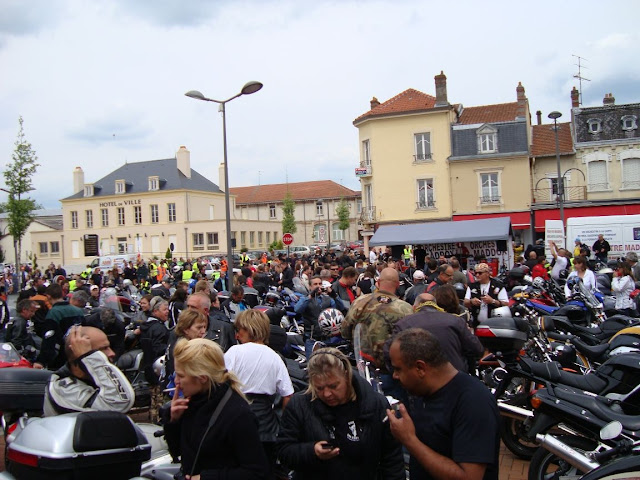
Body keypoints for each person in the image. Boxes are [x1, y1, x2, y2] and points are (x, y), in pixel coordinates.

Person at [387, 329, 499, 480]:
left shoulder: (473, 401)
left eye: (398, 369)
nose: (394, 376)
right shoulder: (422, 392)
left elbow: (469, 477)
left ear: (420, 368)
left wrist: (410, 441)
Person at [276, 347, 404, 480]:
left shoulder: (375, 404)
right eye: (319, 388)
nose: (327, 394)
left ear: (347, 377)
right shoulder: (299, 405)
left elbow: (392, 458)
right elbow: (283, 452)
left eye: (333, 386)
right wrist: (312, 451)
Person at [163, 338, 269, 479]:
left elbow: (256, 472)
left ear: (202, 378)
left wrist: (205, 478)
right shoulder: (191, 402)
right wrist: (173, 421)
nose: (176, 381)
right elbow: (178, 452)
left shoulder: (237, 414)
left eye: (181, 376)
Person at [225, 310, 294, 477]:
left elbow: (219, 382)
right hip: (266, 425)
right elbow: (288, 395)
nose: (237, 334)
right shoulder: (275, 357)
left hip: (235, 418)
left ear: (250, 329)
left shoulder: (234, 352)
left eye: (240, 329)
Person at [341, 268, 413, 394]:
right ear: (397, 284)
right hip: (393, 372)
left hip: (364, 370)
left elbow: (345, 332)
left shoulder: (360, 302)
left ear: (378, 282)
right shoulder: (405, 309)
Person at [44, 325, 135, 416]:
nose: (112, 353)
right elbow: (119, 403)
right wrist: (88, 356)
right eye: (103, 349)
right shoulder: (64, 389)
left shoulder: (90, 378)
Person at [390, 291, 483, 373]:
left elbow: (388, 352)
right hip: (453, 378)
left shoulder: (403, 323)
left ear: (414, 307)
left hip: (418, 381)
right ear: (436, 305)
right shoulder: (455, 321)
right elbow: (477, 349)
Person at [34, 283, 85, 369]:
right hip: (79, 353)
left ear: (48, 296)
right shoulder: (79, 311)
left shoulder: (54, 313)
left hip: (61, 357)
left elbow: (49, 339)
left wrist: (41, 361)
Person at [294, 275, 346, 358]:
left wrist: (334, 295)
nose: (318, 286)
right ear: (310, 287)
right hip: (312, 338)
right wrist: (310, 296)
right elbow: (297, 309)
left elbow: (341, 308)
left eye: (320, 284)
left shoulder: (328, 299)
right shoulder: (305, 299)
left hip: (327, 338)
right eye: (315, 284)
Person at [139, 296, 170, 423]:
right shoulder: (159, 328)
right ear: (155, 311)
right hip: (157, 368)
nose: (167, 311)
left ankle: (153, 420)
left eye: (167, 309)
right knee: (159, 400)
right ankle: (158, 423)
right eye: (164, 309)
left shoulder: (146, 326)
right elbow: (158, 348)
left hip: (147, 366)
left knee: (154, 400)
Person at [164, 308, 209, 390]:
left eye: (204, 327)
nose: (203, 331)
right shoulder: (183, 348)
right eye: (199, 328)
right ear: (186, 329)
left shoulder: (178, 339)